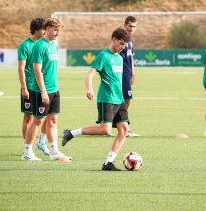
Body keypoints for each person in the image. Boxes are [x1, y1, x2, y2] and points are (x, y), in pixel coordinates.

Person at [62, 27, 131, 171]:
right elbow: (89, 75)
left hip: (119, 99)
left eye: (125, 45)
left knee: (123, 130)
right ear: (114, 39)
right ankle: (71, 133)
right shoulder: (103, 56)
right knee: (105, 130)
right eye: (121, 43)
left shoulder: (120, 57)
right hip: (107, 98)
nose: (123, 47)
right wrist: (89, 89)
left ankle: (108, 163)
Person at [22, 18, 71, 161]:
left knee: (53, 120)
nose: (57, 33)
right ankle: (27, 152)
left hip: (54, 89)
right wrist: (43, 91)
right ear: (47, 28)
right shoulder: (39, 46)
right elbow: (37, 69)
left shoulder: (54, 45)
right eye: (55, 30)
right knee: (37, 121)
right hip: (42, 91)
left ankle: (54, 151)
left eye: (59, 31)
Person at [17, 18, 50, 156]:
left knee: (46, 116)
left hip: (43, 87)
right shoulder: (25, 46)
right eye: (43, 29)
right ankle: (28, 147)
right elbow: (21, 68)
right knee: (28, 117)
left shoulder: (44, 45)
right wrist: (24, 87)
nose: (45, 32)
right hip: (30, 86)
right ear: (36, 29)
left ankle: (41, 142)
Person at [120, 16, 140, 137]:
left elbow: (131, 57)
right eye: (130, 26)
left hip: (127, 73)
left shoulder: (130, 39)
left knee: (126, 99)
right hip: (120, 73)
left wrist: (133, 73)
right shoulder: (120, 38)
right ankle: (124, 125)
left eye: (134, 26)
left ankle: (122, 124)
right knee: (124, 99)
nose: (132, 29)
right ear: (125, 25)